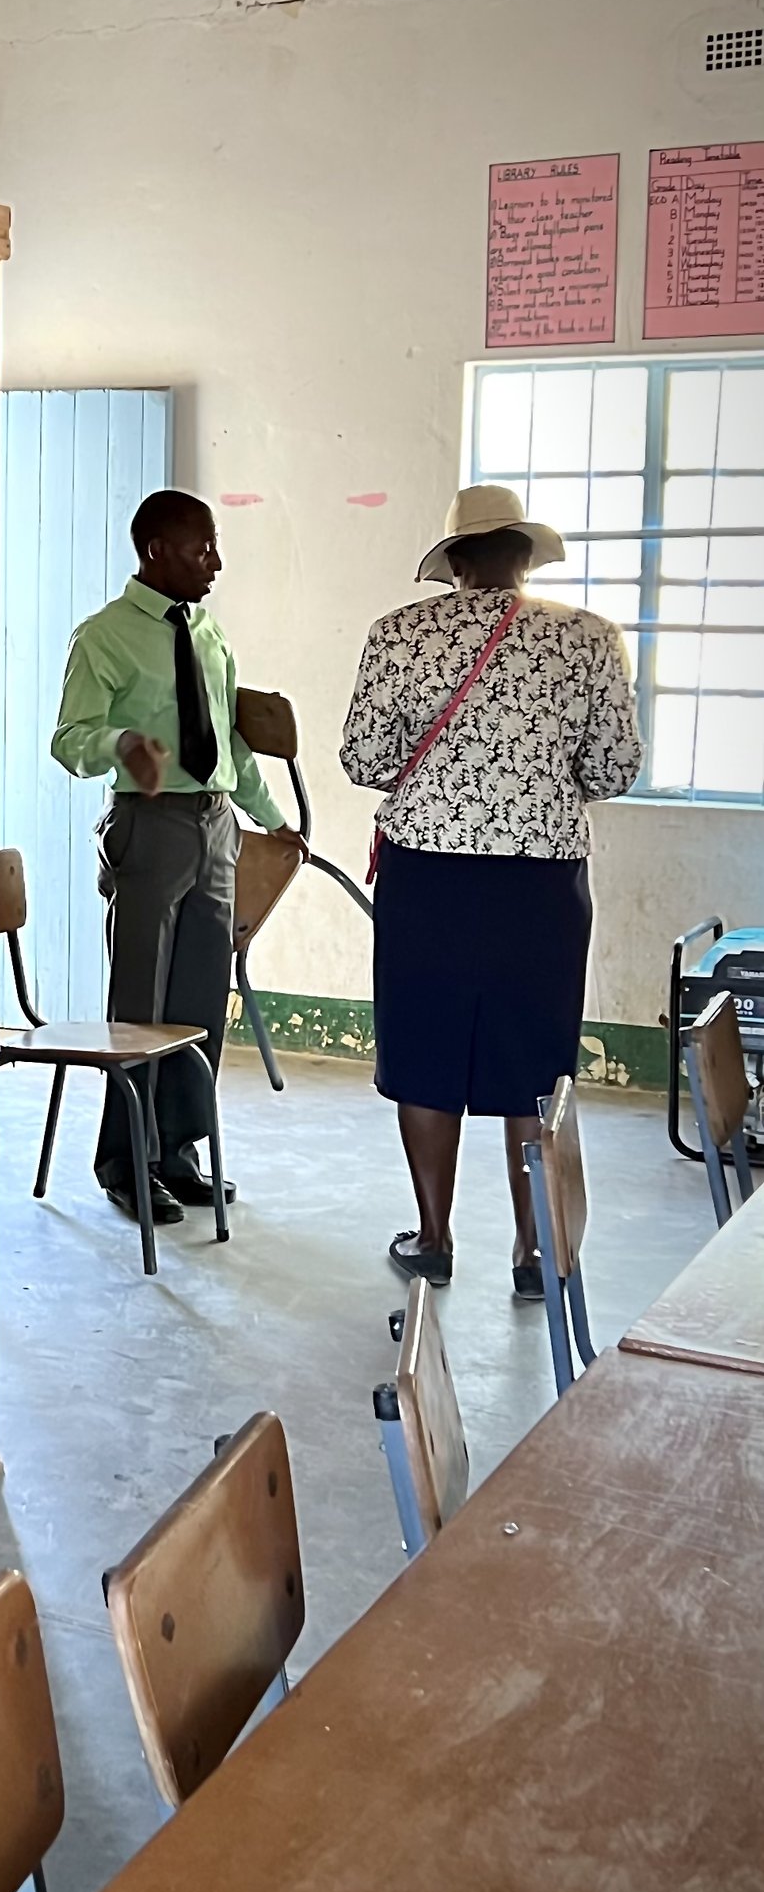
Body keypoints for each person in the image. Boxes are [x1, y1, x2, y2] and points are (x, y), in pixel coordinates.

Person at [341, 484, 641, 1297]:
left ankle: (433, 1238)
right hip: (541, 883)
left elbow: (365, 760)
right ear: (525, 557)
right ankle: (534, 1250)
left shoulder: (399, 633)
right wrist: (540, 783)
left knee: (424, 1050)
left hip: (427, 876)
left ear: (455, 563)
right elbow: (614, 767)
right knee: (535, 1061)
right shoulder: (590, 638)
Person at [52, 490, 293, 1225]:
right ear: (157, 550)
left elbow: (229, 743)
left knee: (198, 1003)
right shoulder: (104, 637)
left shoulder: (210, 632)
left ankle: (179, 1152)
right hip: (149, 827)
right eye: (202, 548)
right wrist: (120, 743)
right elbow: (69, 739)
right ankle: (127, 1162)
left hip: (216, 826)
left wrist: (272, 819)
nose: (215, 563)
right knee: (140, 1005)